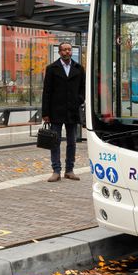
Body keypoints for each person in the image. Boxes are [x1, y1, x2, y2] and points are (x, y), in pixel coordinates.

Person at [41, 42, 85, 182]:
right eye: (64, 50)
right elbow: (46, 92)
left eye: (69, 49)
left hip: (72, 110)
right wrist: (45, 113)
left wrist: (79, 100)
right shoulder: (52, 68)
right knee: (55, 141)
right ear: (59, 52)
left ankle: (70, 170)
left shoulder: (79, 68)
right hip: (56, 111)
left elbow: (83, 88)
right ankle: (56, 170)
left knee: (72, 141)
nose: (67, 52)